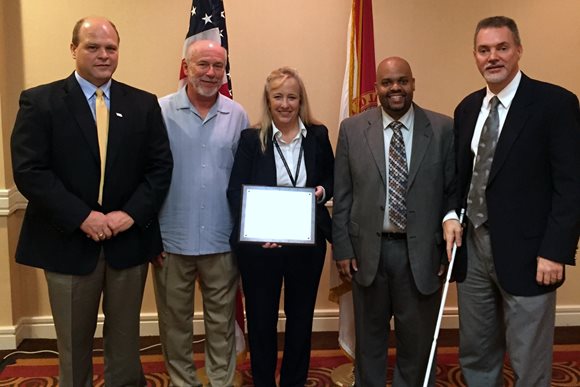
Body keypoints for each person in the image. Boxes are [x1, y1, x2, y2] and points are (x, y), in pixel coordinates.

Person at [10, 17, 173, 386]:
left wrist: (128, 216)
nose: (103, 55)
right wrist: (83, 217)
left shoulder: (143, 104)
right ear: (73, 50)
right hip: (66, 242)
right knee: (72, 343)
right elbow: (30, 171)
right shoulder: (40, 102)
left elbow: (160, 169)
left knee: (126, 342)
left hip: (127, 242)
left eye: (111, 48)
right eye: (92, 47)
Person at [448, 16, 580, 386]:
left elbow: (571, 185)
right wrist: (449, 216)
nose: (493, 57)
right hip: (473, 250)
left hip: (531, 254)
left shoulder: (555, 104)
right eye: (484, 50)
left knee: (529, 359)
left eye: (502, 48)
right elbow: (461, 179)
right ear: (474, 56)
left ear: (518, 50)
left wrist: (556, 250)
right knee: (475, 352)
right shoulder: (467, 109)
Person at [333, 56, 458, 387]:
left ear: (414, 83)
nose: (396, 88)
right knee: (369, 343)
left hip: (421, 255)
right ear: (377, 88)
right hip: (367, 254)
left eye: (402, 80)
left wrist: (446, 247)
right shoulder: (353, 129)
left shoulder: (443, 129)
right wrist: (343, 249)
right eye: (387, 82)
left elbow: (452, 192)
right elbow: (342, 196)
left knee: (416, 345)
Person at [227, 67, 334, 386]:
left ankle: (293, 381)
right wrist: (260, 231)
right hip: (261, 247)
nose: (285, 104)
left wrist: (322, 191)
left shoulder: (317, 135)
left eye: (292, 97)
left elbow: (332, 177)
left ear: (301, 100)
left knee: (301, 321)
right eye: (278, 97)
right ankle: (263, 380)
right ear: (268, 100)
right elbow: (236, 191)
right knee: (261, 321)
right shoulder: (251, 139)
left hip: (306, 242)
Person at [152, 39, 249, 387]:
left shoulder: (237, 115)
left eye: (218, 66)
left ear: (225, 71)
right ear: (186, 66)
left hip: (221, 240)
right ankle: (183, 383)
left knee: (221, 324)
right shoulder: (160, 111)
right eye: (202, 65)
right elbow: (147, 177)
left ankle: (221, 382)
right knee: (174, 324)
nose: (210, 73)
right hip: (170, 239)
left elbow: (244, 181)